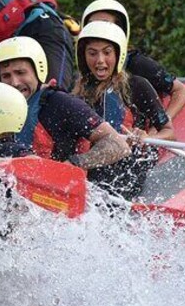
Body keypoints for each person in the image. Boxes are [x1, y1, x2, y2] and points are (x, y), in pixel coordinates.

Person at [0, 36, 132, 174]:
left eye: (21, 73)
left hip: (59, 193)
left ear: (37, 71)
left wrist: (73, 164)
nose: (14, 83)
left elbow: (118, 145)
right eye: (6, 76)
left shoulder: (60, 103)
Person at [73, 22, 175, 198]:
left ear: (118, 55)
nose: (100, 60)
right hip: (93, 169)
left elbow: (169, 132)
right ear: (83, 57)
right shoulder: (76, 94)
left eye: (107, 52)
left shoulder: (137, 86)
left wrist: (148, 137)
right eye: (92, 53)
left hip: (130, 168)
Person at [81, 0, 185, 120]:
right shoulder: (84, 75)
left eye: (104, 23)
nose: (97, 30)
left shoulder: (138, 64)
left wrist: (160, 126)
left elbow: (181, 91)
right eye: (92, 24)